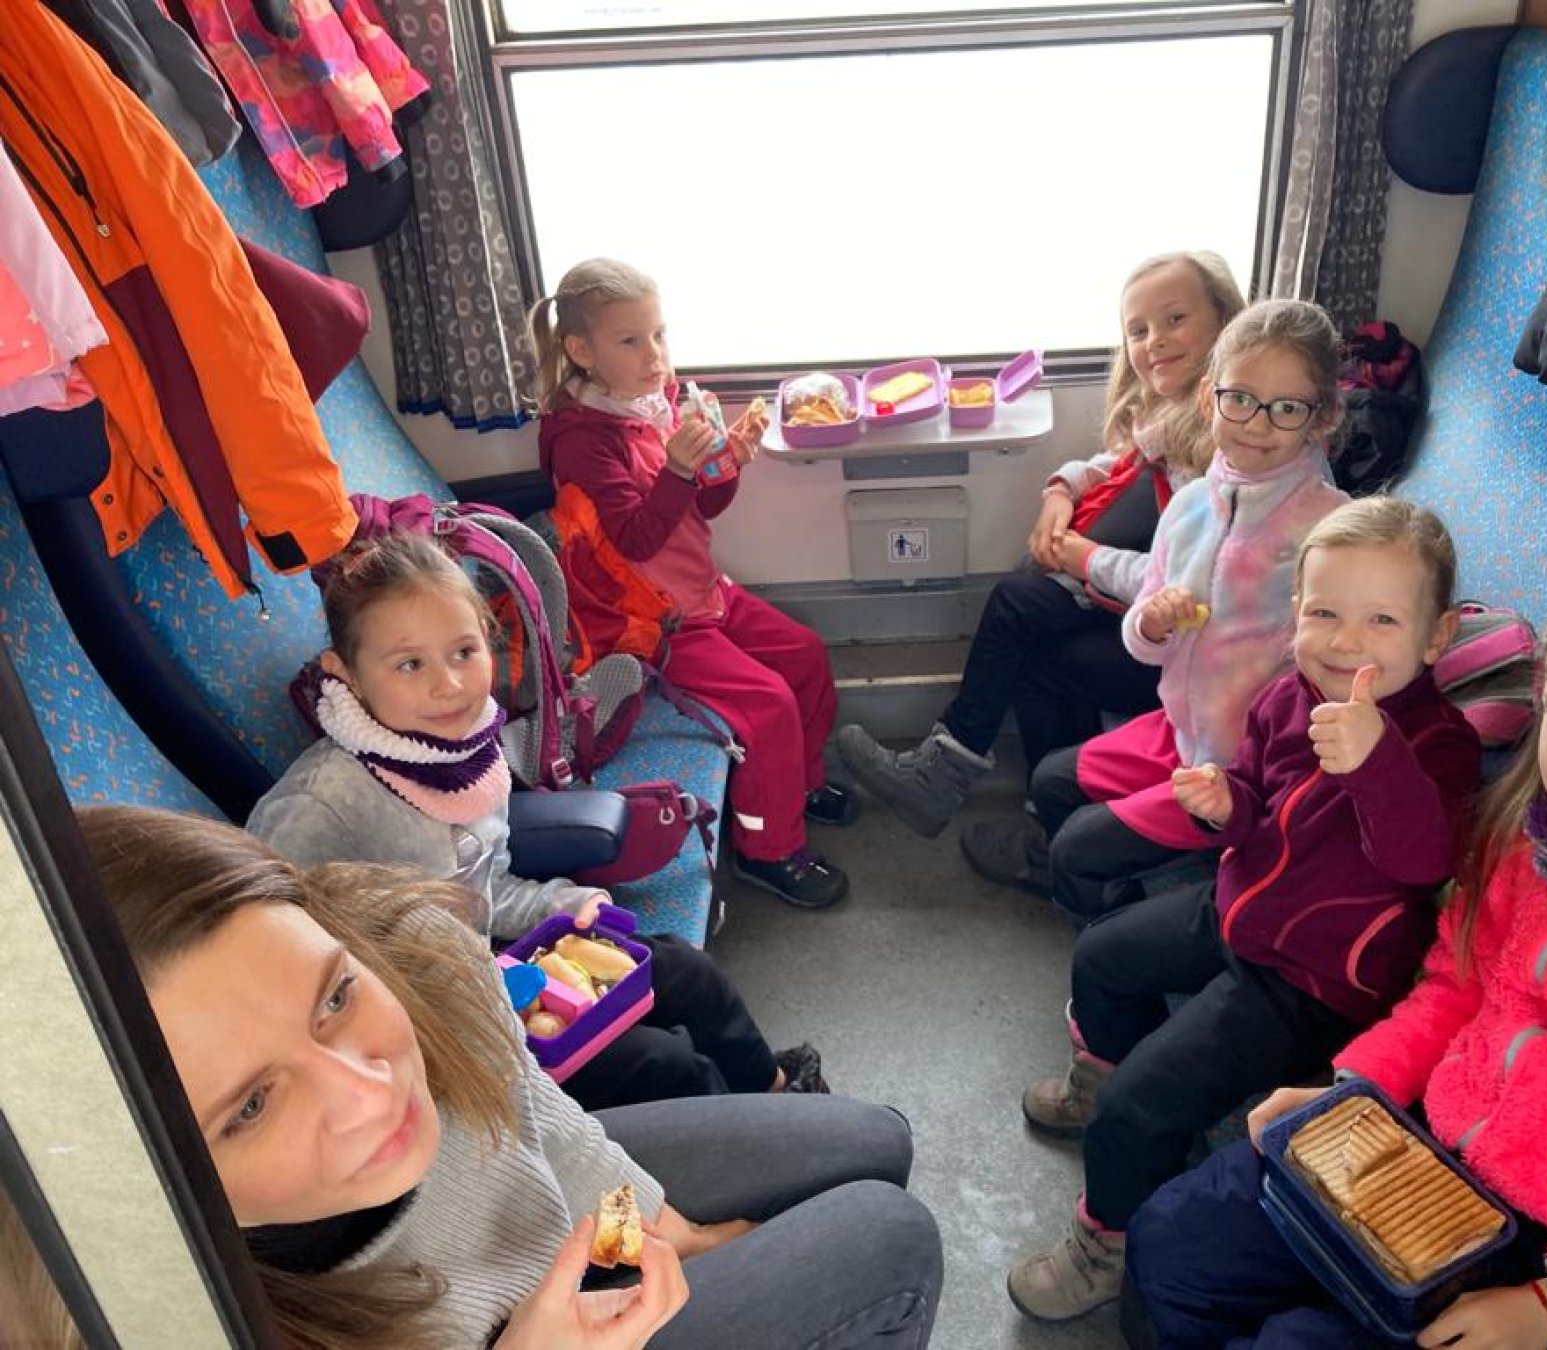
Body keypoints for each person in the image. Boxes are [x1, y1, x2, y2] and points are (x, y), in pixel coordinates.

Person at [1127, 565, 1547, 1350]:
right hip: (1436, 1134)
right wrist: (1352, 1090)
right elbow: (1456, 987)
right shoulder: (1532, 840)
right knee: (1172, 1240)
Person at [70, 805, 944, 1350]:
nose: (372, 1091)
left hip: (554, 1255)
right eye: (252, 1106)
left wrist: (677, 1239)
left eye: (333, 997)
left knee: (873, 1143)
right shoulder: (184, 1314)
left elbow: (544, 1134)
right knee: (889, 1238)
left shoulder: (421, 957)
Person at [1006, 497, 1482, 1322]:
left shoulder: (1437, 744)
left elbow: (1423, 861)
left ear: (1435, 637)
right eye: (1325, 613)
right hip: (1242, 908)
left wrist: (1377, 763)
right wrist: (1229, 806)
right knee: (1102, 958)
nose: (1346, 641)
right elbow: (1260, 801)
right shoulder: (1284, 698)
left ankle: (1107, 1244)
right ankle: (1108, 1076)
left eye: (1381, 620)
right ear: (1296, 612)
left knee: (1133, 1113)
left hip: (1311, 983)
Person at [247, 531, 827, 1111]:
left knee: (688, 974)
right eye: (410, 664)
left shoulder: (464, 750)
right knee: (665, 1064)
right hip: (427, 1030)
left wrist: (561, 904)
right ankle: (746, 1143)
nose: (449, 685)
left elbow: (487, 889)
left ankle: (782, 1100)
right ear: (346, 672)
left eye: (463, 652)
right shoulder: (318, 808)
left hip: (491, 970)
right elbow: (276, 967)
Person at [836, 251, 1246, 846]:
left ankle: (956, 781)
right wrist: (1059, 491)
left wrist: (1084, 559)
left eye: (1175, 319)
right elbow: (1114, 467)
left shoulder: (1223, 449)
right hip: (1147, 622)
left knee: (1018, 607)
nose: (1155, 341)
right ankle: (1051, 813)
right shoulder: (1174, 416)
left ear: (1225, 322)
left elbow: (1184, 586)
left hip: (1186, 644)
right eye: (1137, 330)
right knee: (1027, 628)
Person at [973, 299, 1353, 919]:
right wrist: (1151, 623)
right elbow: (1142, 635)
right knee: (1050, 780)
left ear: (1323, 416)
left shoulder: (1330, 531)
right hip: (1180, 730)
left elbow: (1336, 668)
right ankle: (1124, 878)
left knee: (1075, 847)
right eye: (1239, 399)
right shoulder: (1191, 505)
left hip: (1245, 770)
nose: (1257, 425)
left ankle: (1114, 907)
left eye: (1286, 408)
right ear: (1208, 398)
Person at [530, 258, 854, 910]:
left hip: (702, 590)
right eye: (631, 341)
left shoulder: (656, 404)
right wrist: (678, 470)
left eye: (659, 335)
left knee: (804, 655)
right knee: (767, 704)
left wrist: (726, 462)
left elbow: (703, 507)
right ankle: (768, 849)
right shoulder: (583, 440)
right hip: (650, 619)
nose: (655, 356)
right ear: (581, 351)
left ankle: (800, 783)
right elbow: (636, 539)